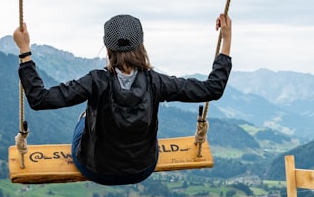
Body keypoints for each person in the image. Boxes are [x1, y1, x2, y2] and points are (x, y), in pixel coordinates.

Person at [13, 13, 232, 185]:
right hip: (142, 169)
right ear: (141, 46)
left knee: (84, 118)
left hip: (95, 169)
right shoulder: (156, 82)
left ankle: (86, 118)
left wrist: (25, 50)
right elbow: (212, 89)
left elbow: (40, 98)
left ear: (108, 48)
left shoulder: (95, 81)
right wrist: (227, 39)